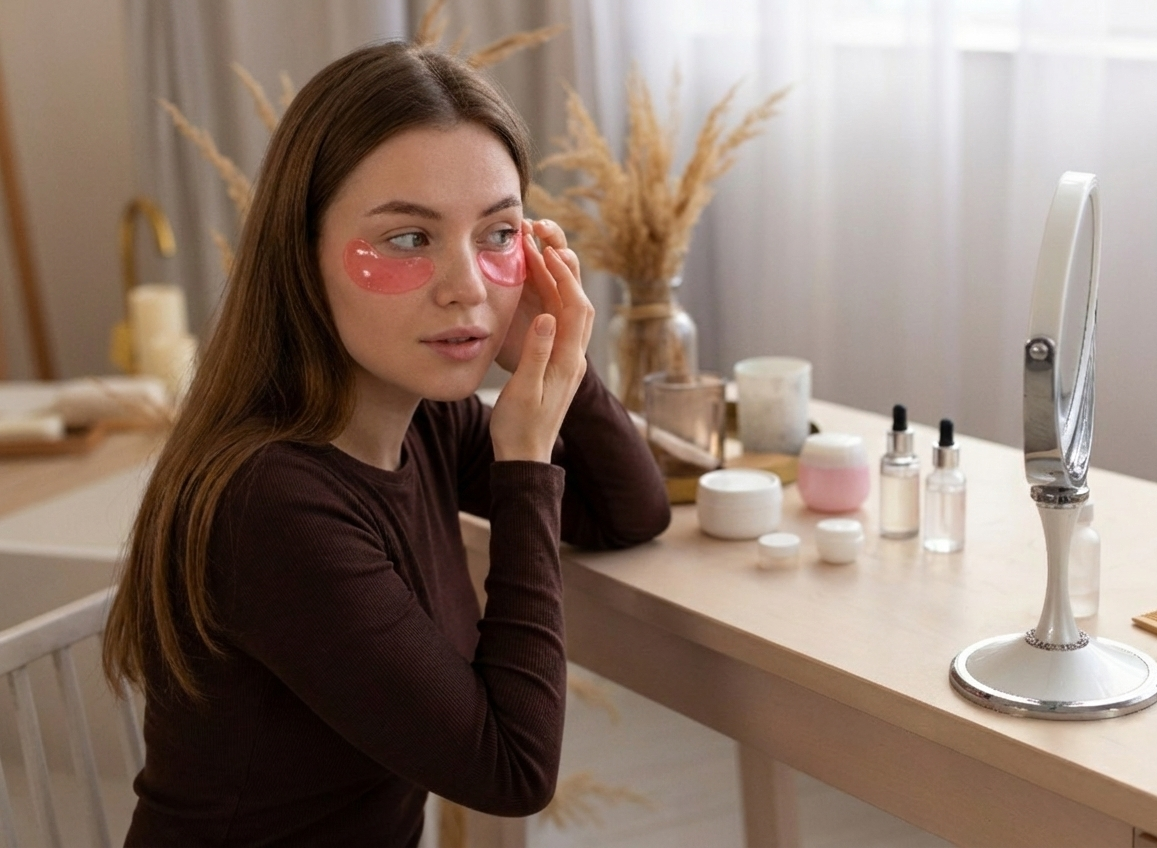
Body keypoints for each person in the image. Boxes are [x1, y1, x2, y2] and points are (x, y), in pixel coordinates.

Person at [102, 40, 670, 846]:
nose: (467, 285)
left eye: (498, 233)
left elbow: (627, 512)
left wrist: (558, 351)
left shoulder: (418, 422)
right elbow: (512, 771)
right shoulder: (271, 503)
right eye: (408, 238)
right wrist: (522, 462)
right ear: (302, 258)